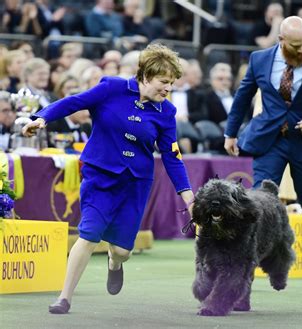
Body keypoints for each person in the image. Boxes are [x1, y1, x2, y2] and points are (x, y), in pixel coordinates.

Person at [22, 43, 194, 314]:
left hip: (135, 183)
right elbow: (72, 103)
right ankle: (64, 298)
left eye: (171, 83)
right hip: (99, 175)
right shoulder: (112, 88)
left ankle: (115, 264)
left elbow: (172, 157)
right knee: (88, 233)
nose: (168, 89)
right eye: (164, 82)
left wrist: (189, 198)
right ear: (146, 76)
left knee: (122, 250)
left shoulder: (167, 113)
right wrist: (42, 119)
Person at [224, 16, 302, 281]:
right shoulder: (259, 59)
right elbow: (243, 96)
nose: (301, 50)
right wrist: (230, 133)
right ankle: (250, 257)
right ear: (280, 41)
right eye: (295, 45)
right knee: (260, 199)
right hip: (270, 141)